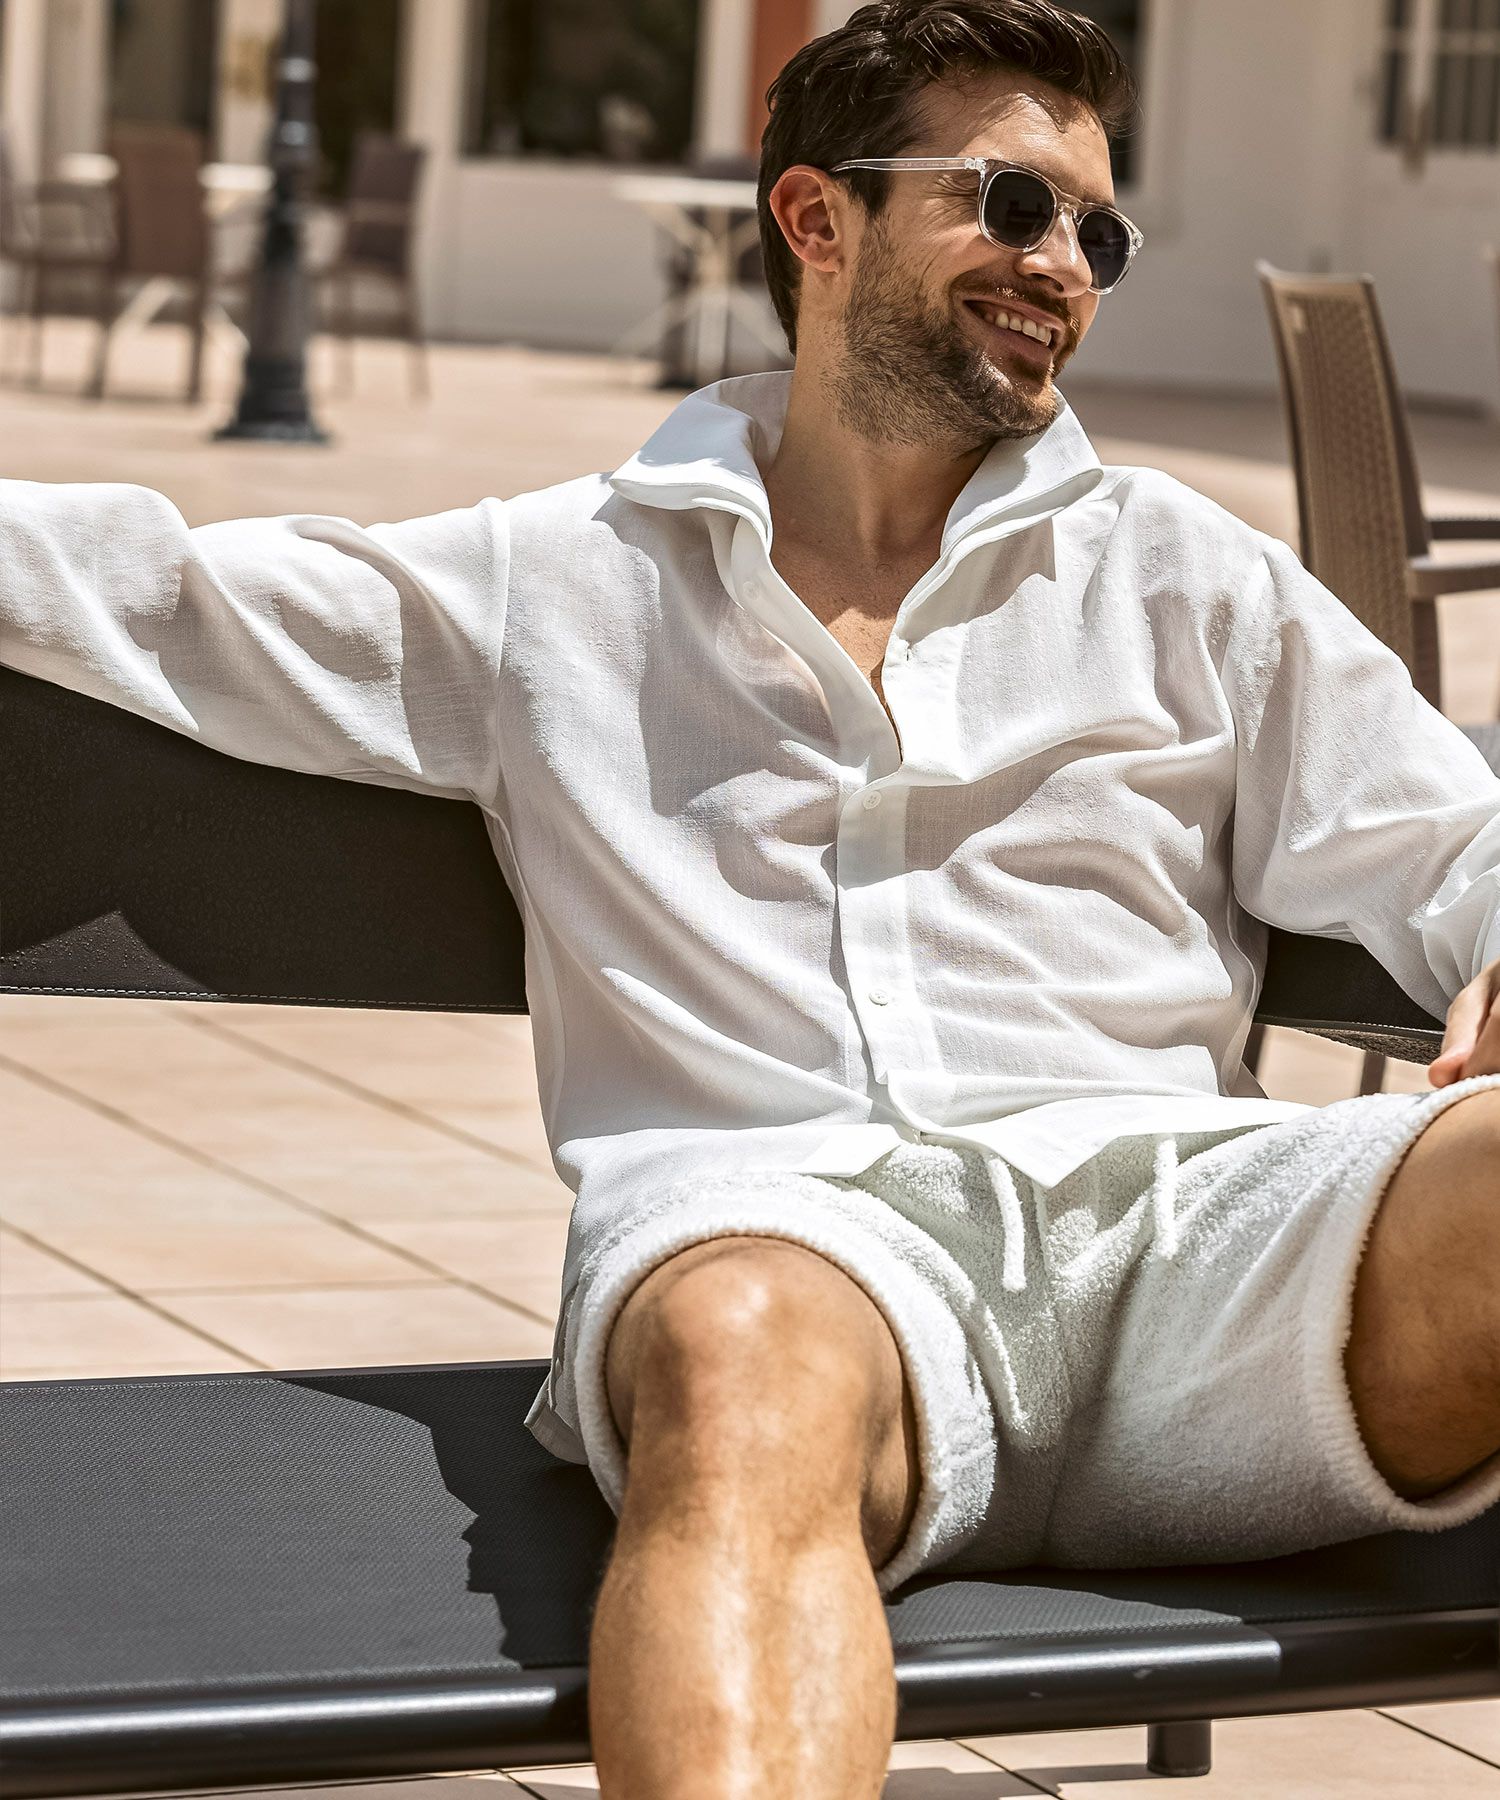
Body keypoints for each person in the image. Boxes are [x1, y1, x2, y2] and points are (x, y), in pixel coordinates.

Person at [1, 2, 1497, 1793]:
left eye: (1097, 235)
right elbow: (154, 596)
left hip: (1207, 1261)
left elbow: (1456, 842)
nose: (1062, 267)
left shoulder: (1185, 574)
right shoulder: (557, 581)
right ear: (815, 219)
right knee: (739, 1348)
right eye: (1013, 204)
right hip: (793, 1260)